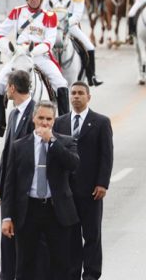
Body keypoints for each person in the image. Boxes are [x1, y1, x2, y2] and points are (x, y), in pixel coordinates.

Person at [0, 0, 69, 137]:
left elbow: (49, 41)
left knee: (61, 83)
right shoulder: (17, 11)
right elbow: (0, 32)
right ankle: (0, 124)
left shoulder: (49, 16)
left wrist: (33, 51)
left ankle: (64, 123)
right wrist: (9, 50)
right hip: (19, 55)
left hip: (40, 55)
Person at [1, 100, 80, 279]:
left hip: (56, 210)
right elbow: (10, 184)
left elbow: (73, 164)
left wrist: (52, 141)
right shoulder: (19, 146)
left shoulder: (66, 142)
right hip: (29, 210)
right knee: (25, 264)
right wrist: (7, 217)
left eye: (49, 119)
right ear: (33, 119)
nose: (45, 123)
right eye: (41, 118)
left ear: (54, 121)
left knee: (60, 264)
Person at [53, 81, 113, 280]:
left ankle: (91, 274)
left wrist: (102, 183)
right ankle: (72, 274)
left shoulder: (101, 122)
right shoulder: (60, 122)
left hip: (91, 190)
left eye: (80, 93)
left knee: (92, 236)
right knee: (71, 236)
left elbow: (106, 155)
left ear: (88, 97)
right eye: (73, 93)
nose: (76, 97)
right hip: (67, 192)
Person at [0, 71, 35, 280]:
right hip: (9, 189)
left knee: (23, 244)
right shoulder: (13, 114)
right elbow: (7, 152)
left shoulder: (36, 113)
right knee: (7, 241)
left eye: (6, 87)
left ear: (11, 88)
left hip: (25, 190)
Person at [44, 0, 103, 87]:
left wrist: (65, 24)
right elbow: (45, 10)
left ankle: (91, 76)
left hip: (70, 26)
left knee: (89, 47)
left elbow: (77, 15)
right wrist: (51, 23)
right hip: (53, 27)